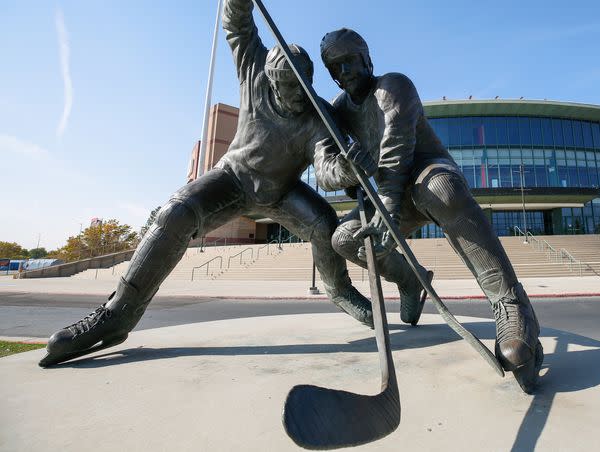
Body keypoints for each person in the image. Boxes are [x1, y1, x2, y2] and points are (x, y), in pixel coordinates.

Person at [38, 0, 373, 367]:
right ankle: (118, 313)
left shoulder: (318, 114)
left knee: (325, 222)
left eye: (303, 86)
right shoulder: (254, 69)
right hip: (232, 178)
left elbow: (326, 169)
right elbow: (237, 23)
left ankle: (340, 291)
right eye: (287, 87)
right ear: (271, 79)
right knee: (176, 213)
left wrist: (346, 169)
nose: (296, 96)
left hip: (281, 193)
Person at [314, 28, 543, 393]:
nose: (342, 73)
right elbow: (322, 166)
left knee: (439, 189)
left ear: (366, 58)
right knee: (344, 237)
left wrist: (386, 203)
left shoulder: (394, 86)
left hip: (425, 173)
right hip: (392, 201)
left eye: (348, 62)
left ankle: (511, 304)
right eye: (333, 68)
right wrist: (344, 167)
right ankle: (410, 279)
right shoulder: (337, 113)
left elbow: (397, 146)